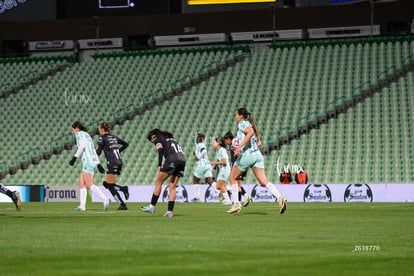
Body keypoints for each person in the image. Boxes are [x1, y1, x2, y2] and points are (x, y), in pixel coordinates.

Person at [226, 108, 287, 214]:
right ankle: (280, 197)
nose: (235, 116)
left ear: (241, 116)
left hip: (247, 155)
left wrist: (239, 147)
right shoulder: (250, 123)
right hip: (258, 155)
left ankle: (236, 204)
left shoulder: (242, 124)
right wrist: (258, 140)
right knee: (264, 181)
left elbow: (250, 133)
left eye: (236, 114)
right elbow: (254, 132)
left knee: (232, 178)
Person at [141, 128, 186, 218]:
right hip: (182, 160)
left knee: (158, 182)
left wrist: (159, 165)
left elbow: (160, 150)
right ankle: (170, 212)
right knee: (172, 186)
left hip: (172, 160)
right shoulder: (172, 139)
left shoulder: (156, 136)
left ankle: (152, 207)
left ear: (151, 137)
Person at [69, 121, 110, 211]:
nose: (72, 132)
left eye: (72, 129)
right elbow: (92, 149)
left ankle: (105, 199)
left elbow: (82, 146)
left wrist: (74, 158)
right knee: (81, 183)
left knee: (89, 184)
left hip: (87, 161)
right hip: (91, 161)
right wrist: (98, 163)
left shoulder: (79, 134)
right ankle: (82, 206)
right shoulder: (87, 135)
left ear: (77, 128)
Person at [96, 122, 130, 210]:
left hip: (112, 163)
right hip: (118, 161)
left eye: (99, 128)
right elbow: (126, 144)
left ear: (102, 129)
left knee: (110, 186)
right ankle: (122, 192)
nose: (99, 130)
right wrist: (118, 151)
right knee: (106, 184)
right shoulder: (113, 137)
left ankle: (122, 201)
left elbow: (98, 153)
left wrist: (94, 150)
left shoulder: (102, 138)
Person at [223, 131, 251, 207]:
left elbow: (235, 154)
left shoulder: (232, 145)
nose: (226, 143)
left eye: (226, 141)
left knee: (235, 183)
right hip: (245, 163)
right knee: (238, 184)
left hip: (238, 165)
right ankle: (241, 199)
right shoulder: (238, 140)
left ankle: (239, 201)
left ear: (229, 139)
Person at [191, 133, 213, 202]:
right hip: (208, 165)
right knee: (210, 182)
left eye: (198, 138)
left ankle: (197, 197)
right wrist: (195, 155)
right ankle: (225, 190)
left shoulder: (200, 144)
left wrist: (198, 156)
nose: (197, 139)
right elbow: (200, 155)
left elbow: (204, 151)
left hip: (202, 165)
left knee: (195, 179)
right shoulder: (201, 145)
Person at [210, 137, 232, 205]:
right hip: (223, 169)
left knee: (219, 186)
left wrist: (214, 163)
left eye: (214, 142)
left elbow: (224, 162)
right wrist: (214, 167)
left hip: (225, 169)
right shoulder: (218, 151)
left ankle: (229, 198)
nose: (212, 144)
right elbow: (219, 161)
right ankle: (227, 197)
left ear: (218, 143)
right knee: (218, 186)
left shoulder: (222, 150)